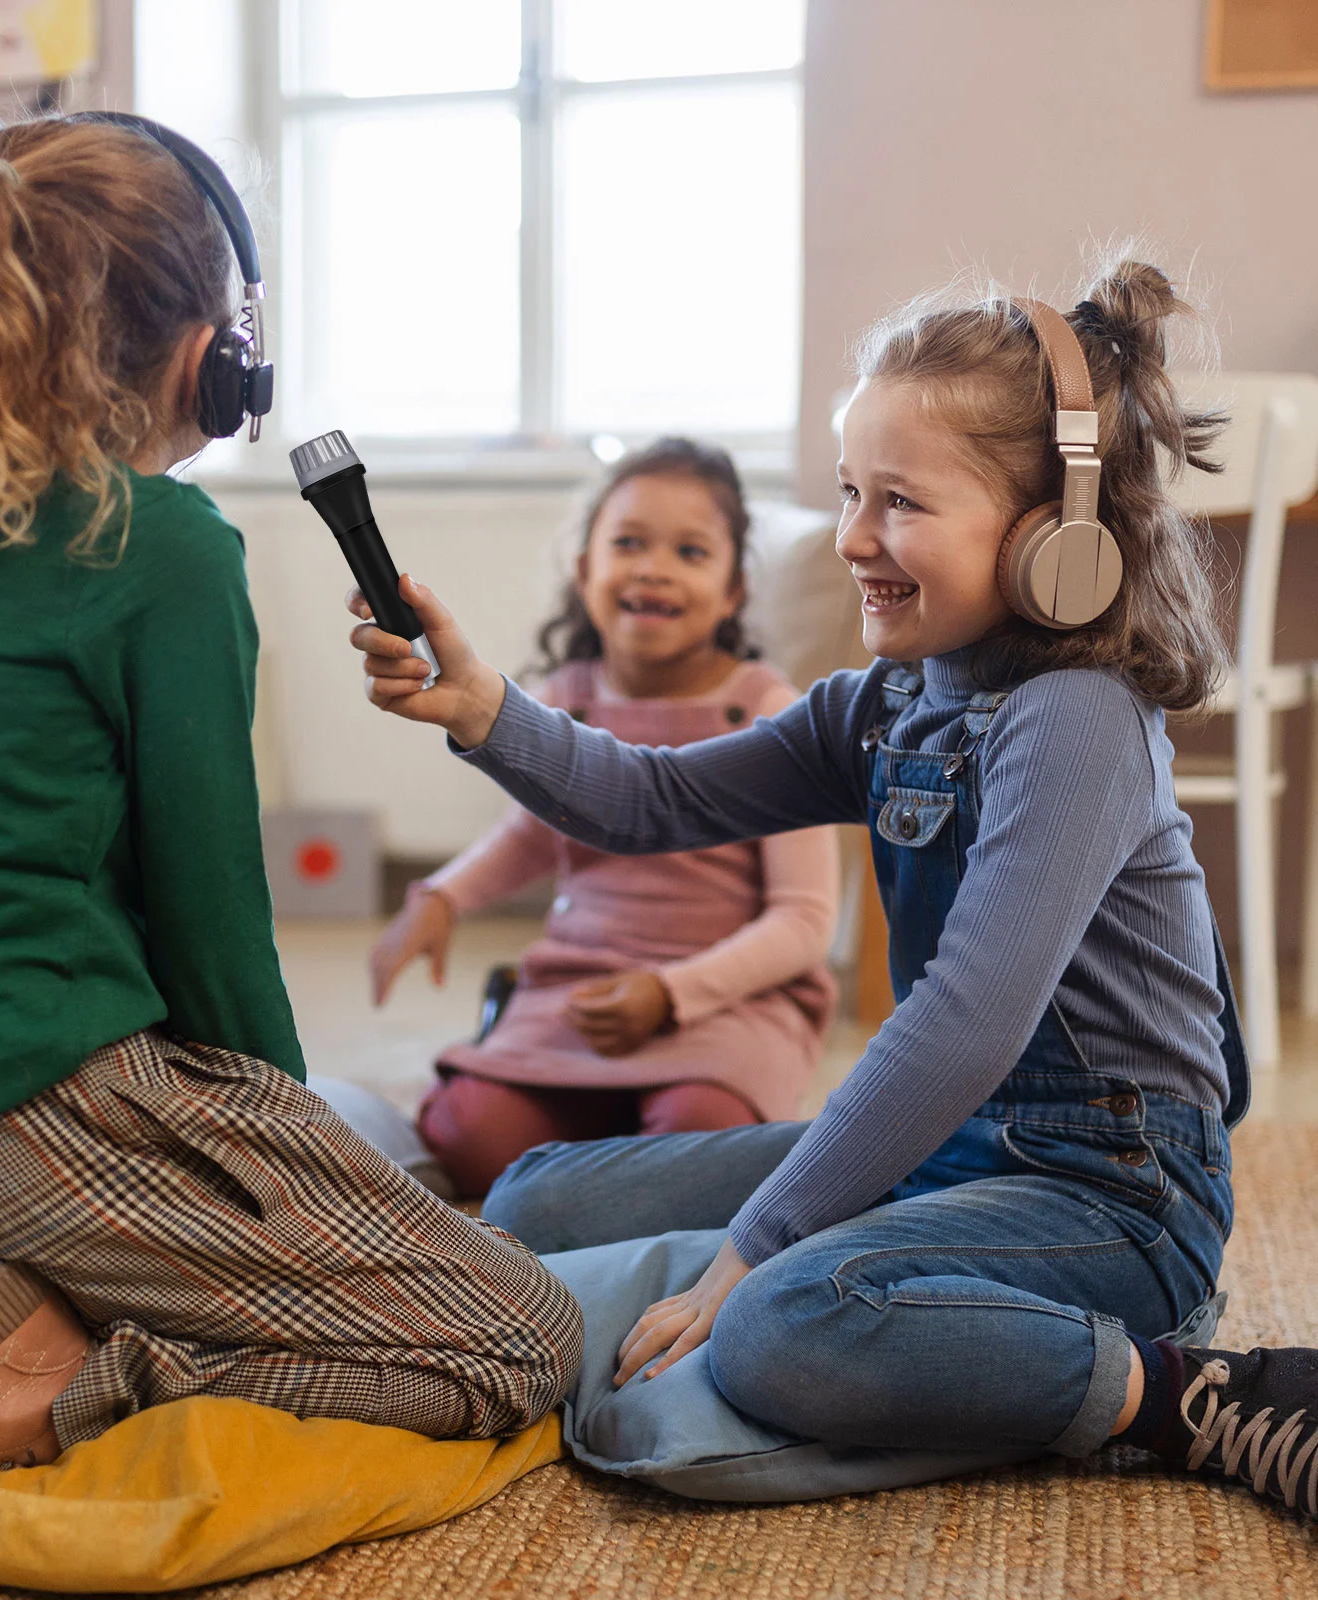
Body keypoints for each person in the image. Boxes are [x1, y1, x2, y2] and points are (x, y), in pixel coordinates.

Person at [0, 113, 580, 1574]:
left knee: (367, 1195)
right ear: (210, 347)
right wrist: (293, 1156)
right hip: (20, 1107)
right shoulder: (165, 548)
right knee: (521, 1333)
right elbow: (211, 916)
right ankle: (65, 1354)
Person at [349, 259, 1318, 1519]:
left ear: (1054, 535)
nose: (854, 535)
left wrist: (761, 1244)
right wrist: (486, 710)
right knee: (537, 1195)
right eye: (851, 490)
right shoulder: (887, 703)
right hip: (960, 1153)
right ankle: (906, 1298)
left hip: (1117, 1194)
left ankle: (1187, 1388)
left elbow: (964, 1019)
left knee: (782, 1321)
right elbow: (655, 802)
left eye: (901, 501)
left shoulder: (1076, 718)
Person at [370, 439, 839, 1197]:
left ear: (732, 594)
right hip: (581, 989)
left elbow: (803, 923)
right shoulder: (568, 697)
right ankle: (603, 1142)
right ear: (585, 572)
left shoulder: (766, 711)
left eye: (690, 551)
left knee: (701, 1132)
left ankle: (626, 1144)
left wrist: (670, 995)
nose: (653, 566)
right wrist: (443, 896)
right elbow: (528, 833)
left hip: (725, 1006)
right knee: (466, 1135)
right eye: (628, 543)